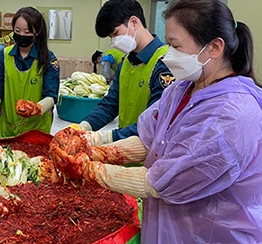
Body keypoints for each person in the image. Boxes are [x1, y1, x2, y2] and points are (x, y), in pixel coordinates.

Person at [52, 0, 262, 242]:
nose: (169, 55)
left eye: (175, 46)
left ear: (214, 47)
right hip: (170, 227)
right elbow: (151, 141)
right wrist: (93, 148)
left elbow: (161, 182)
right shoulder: (181, 90)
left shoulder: (230, 113)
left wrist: (87, 168)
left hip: (212, 233)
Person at [77, 0, 172, 146]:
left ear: (134, 22)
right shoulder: (126, 63)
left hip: (151, 155)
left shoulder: (165, 64)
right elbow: (110, 105)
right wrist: (82, 127)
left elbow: (155, 122)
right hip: (125, 150)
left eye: (115, 33)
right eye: (110, 38)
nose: (113, 42)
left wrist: (104, 138)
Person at [0, 7, 60, 138]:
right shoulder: (5, 55)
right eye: (17, 31)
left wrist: (37, 108)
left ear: (38, 32)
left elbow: (52, 95)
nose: (22, 35)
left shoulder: (48, 58)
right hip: (8, 126)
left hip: (37, 129)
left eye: (27, 32)